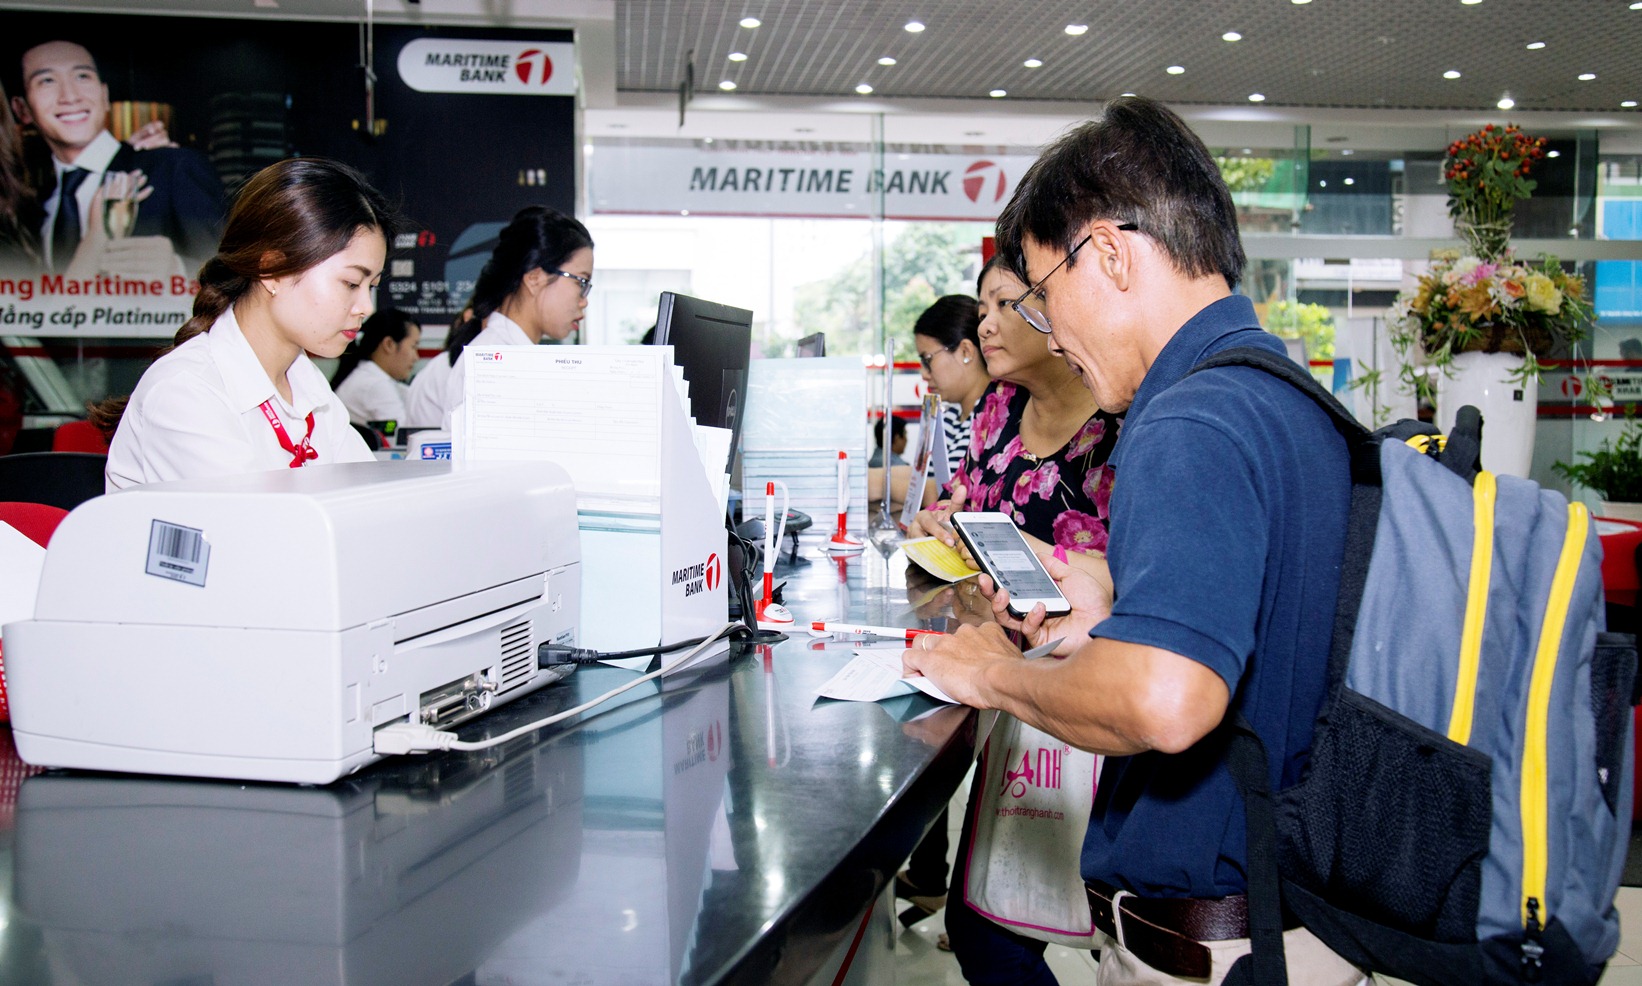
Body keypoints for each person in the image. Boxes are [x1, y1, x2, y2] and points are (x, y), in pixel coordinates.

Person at [903, 96, 1363, 986]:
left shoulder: (1188, 417)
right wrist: (1116, 602)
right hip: (1296, 919)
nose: (1047, 330)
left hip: (1218, 947)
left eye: (1041, 293)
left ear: (1108, 252)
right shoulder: (1279, 395)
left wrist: (984, 674)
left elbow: (1166, 702)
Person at [97, 157, 400, 491]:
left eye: (372, 286)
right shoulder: (186, 390)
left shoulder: (305, 381)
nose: (365, 308)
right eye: (351, 284)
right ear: (274, 271)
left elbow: (370, 498)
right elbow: (249, 532)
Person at [908, 255, 1122, 560]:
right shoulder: (999, 402)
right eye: (982, 313)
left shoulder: (1123, 417)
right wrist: (932, 523)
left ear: (1059, 304)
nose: (984, 328)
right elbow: (957, 498)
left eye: (1004, 303)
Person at [11, 39, 224, 273]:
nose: (70, 96)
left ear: (104, 95)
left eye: (82, 77)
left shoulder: (174, 168)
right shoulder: (30, 211)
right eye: (47, 81)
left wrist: (178, 269)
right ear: (22, 109)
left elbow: (232, 280)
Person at [423, 206, 593, 430]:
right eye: (581, 282)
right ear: (534, 278)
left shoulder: (507, 352)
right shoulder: (496, 362)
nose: (584, 300)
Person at [913, 293, 990, 479]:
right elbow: (922, 480)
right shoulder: (949, 418)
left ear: (966, 351)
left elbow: (953, 490)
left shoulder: (994, 417)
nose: (924, 374)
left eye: (927, 359)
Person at [331, 307, 421, 427]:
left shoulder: (368, 376)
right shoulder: (375, 385)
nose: (416, 357)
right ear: (389, 344)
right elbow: (400, 437)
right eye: (413, 346)